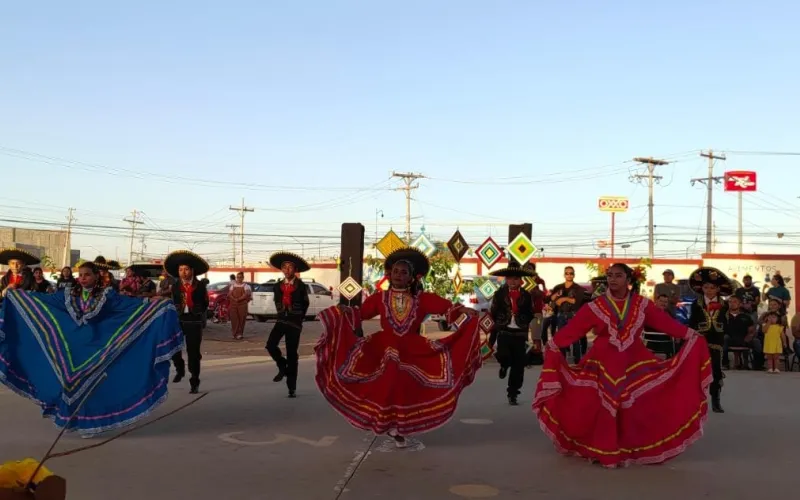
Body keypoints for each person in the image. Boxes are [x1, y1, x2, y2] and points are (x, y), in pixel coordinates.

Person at [532, 263, 712, 468]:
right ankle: (603, 448)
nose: (612, 279)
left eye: (618, 275)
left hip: (634, 361)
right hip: (602, 362)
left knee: (636, 406)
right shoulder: (596, 306)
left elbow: (665, 323)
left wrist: (690, 335)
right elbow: (575, 329)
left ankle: (630, 446)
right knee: (601, 405)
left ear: (628, 279)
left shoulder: (642, 305)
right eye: (610, 275)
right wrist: (554, 344)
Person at [315, 247, 482, 448]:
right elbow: (361, 314)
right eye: (395, 271)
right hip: (383, 348)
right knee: (387, 382)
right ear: (389, 274)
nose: (398, 275)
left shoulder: (422, 299)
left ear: (412, 277)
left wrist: (464, 310)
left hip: (413, 349)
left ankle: (398, 425)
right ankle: (390, 424)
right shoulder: (380, 298)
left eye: (403, 272)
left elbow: (447, 308)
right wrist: (344, 312)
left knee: (405, 385)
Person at [0, 260, 183, 436]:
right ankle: (72, 418)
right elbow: (46, 301)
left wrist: (151, 303)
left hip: (99, 346)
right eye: (80, 275)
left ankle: (89, 422)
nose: (83, 278)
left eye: (87, 275)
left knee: (94, 386)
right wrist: (19, 296)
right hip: (72, 347)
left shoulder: (107, 295)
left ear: (96, 276)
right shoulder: (68, 294)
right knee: (68, 383)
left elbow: (127, 304)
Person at [487, 262, 534, 405]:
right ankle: (504, 365)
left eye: (515, 279)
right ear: (506, 279)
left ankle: (513, 393)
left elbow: (530, 313)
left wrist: (523, 322)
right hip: (504, 331)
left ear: (521, 280)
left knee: (518, 366)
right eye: (509, 278)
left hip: (519, 333)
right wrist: (491, 338)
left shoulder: (527, 295)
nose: (512, 281)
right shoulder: (499, 294)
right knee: (503, 355)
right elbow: (493, 314)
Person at [266, 252, 310, 398]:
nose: (287, 270)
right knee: (270, 345)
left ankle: (292, 388)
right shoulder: (277, 286)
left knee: (292, 354)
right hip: (281, 321)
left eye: (290, 267)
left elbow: (305, 304)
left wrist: (298, 318)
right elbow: (276, 302)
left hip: (294, 323)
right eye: (284, 267)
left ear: (295, 269)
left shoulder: (301, 286)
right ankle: (282, 366)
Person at [165, 250, 210, 394]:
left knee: (193, 353)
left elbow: (205, 303)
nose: (183, 273)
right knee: (173, 348)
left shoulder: (200, 286)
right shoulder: (175, 286)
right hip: (178, 320)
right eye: (180, 270)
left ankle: (194, 380)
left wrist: (198, 309)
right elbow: (172, 301)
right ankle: (180, 368)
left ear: (192, 271)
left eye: (186, 269)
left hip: (194, 321)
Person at [687, 267, 731, 413]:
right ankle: (695, 400)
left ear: (718, 289)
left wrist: (725, 332)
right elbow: (692, 321)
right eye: (706, 287)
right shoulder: (696, 303)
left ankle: (716, 399)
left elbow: (727, 321)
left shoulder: (724, 304)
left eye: (712, 288)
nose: (709, 291)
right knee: (697, 369)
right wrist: (690, 335)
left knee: (716, 369)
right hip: (700, 338)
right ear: (702, 288)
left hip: (717, 339)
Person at [550, 266, 586, 363]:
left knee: (575, 339)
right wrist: (556, 295)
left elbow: (576, 301)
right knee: (562, 339)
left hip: (573, 315)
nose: (569, 275)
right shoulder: (558, 287)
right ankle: (562, 361)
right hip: (561, 315)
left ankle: (577, 362)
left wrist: (564, 299)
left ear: (574, 275)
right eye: (567, 273)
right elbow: (551, 298)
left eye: (571, 273)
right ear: (564, 274)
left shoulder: (578, 288)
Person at [721, 295, 758, 370]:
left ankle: (758, 365)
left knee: (756, 342)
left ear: (740, 304)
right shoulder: (723, 316)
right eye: (730, 302)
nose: (732, 304)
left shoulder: (746, 317)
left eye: (735, 302)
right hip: (730, 339)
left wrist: (750, 336)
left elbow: (751, 330)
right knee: (724, 338)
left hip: (744, 339)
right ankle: (725, 363)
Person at [228, 271, 252, 340]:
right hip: (233, 304)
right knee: (234, 319)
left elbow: (246, 294)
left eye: (240, 277)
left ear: (243, 278)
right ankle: (234, 333)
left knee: (242, 319)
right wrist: (234, 299)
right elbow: (230, 294)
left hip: (242, 305)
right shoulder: (233, 285)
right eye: (237, 277)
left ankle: (240, 334)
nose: (239, 279)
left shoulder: (246, 286)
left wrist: (239, 299)